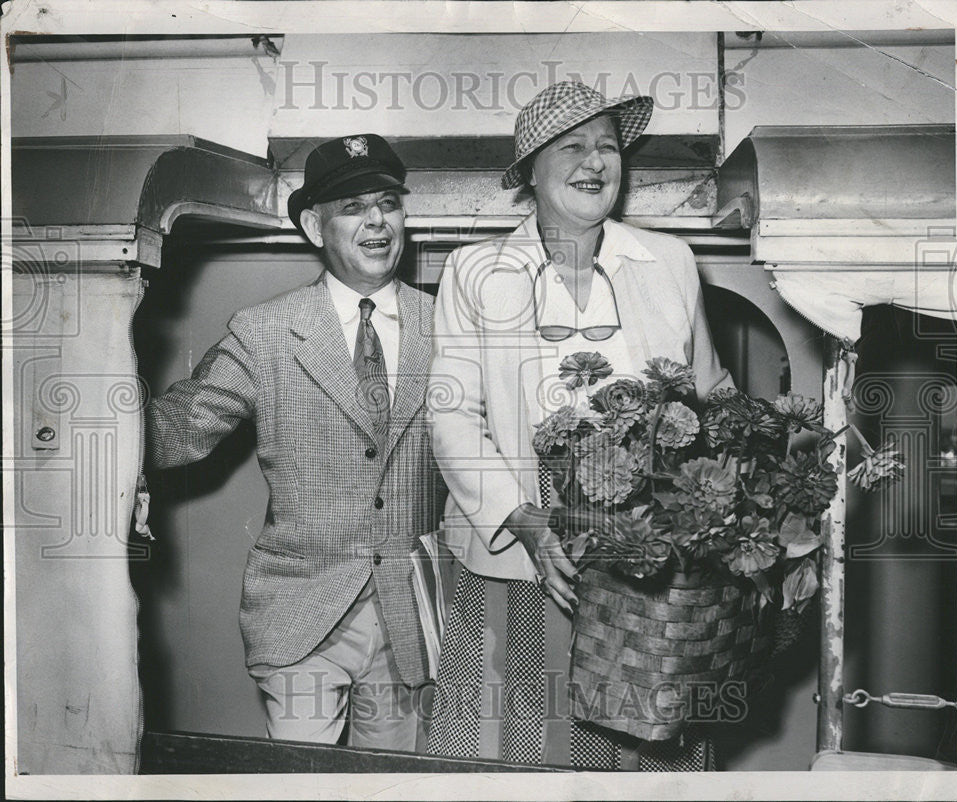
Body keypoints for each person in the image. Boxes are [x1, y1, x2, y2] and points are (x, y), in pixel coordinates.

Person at [426, 82, 733, 769]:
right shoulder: (475, 271)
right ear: (529, 172)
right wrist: (527, 523)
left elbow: (712, 400)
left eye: (607, 146)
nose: (595, 160)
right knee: (521, 748)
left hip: (654, 572)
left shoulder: (672, 262)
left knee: (641, 756)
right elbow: (452, 416)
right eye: (572, 146)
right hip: (524, 562)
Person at [146, 134, 444, 751]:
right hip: (303, 612)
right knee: (300, 783)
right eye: (353, 208)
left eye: (388, 203)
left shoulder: (449, 323)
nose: (377, 222)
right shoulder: (265, 332)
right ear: (314, 225)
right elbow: (176, 434)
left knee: (391, 787)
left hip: (414, 616)